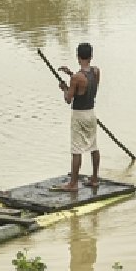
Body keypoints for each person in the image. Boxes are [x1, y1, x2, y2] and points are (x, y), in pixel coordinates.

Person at [53, 42, 100, 192]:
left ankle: (73, 184)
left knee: (76, 149)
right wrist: (71, 74)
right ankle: (94, 178)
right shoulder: (96, 71)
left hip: (79, 115)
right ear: (91, 57)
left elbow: (69, 99)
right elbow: (86, 85)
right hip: (91, 113)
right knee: (94, 147)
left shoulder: (76, 78)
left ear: (78, 57)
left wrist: (64, 89)